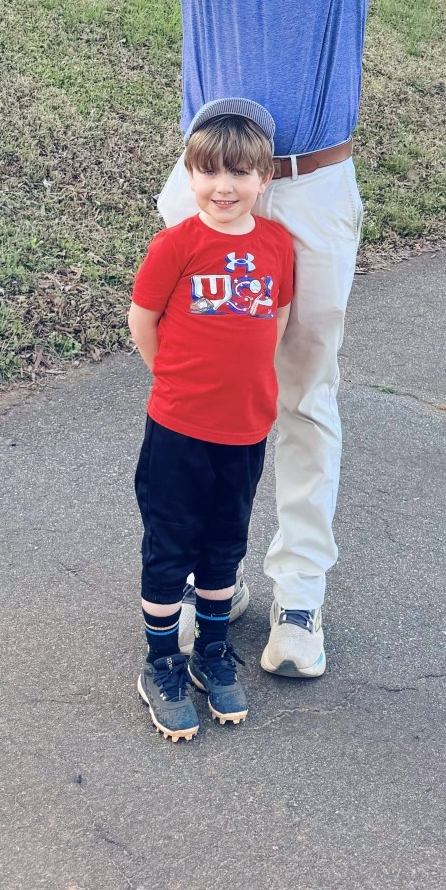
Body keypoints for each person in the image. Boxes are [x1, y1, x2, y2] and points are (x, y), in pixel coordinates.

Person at [119, 0, 444, 679]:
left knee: (303, 392)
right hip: (210, 187)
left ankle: (298, 593)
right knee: (193, 392)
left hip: (313, 187)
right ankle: (200, 584)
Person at [129, 98, 294, 742]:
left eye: (238, 173)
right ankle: (161, 664)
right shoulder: (177, 245)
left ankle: (212, 652)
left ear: (264, 178)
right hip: (178, 427)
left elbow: (274, 320)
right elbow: (143, 320)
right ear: (189, 175)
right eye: (208, 172)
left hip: (245, 429)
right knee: (171, 544)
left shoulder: (278, 245)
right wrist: (171, 379)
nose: (223, 186)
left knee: (227, 542)